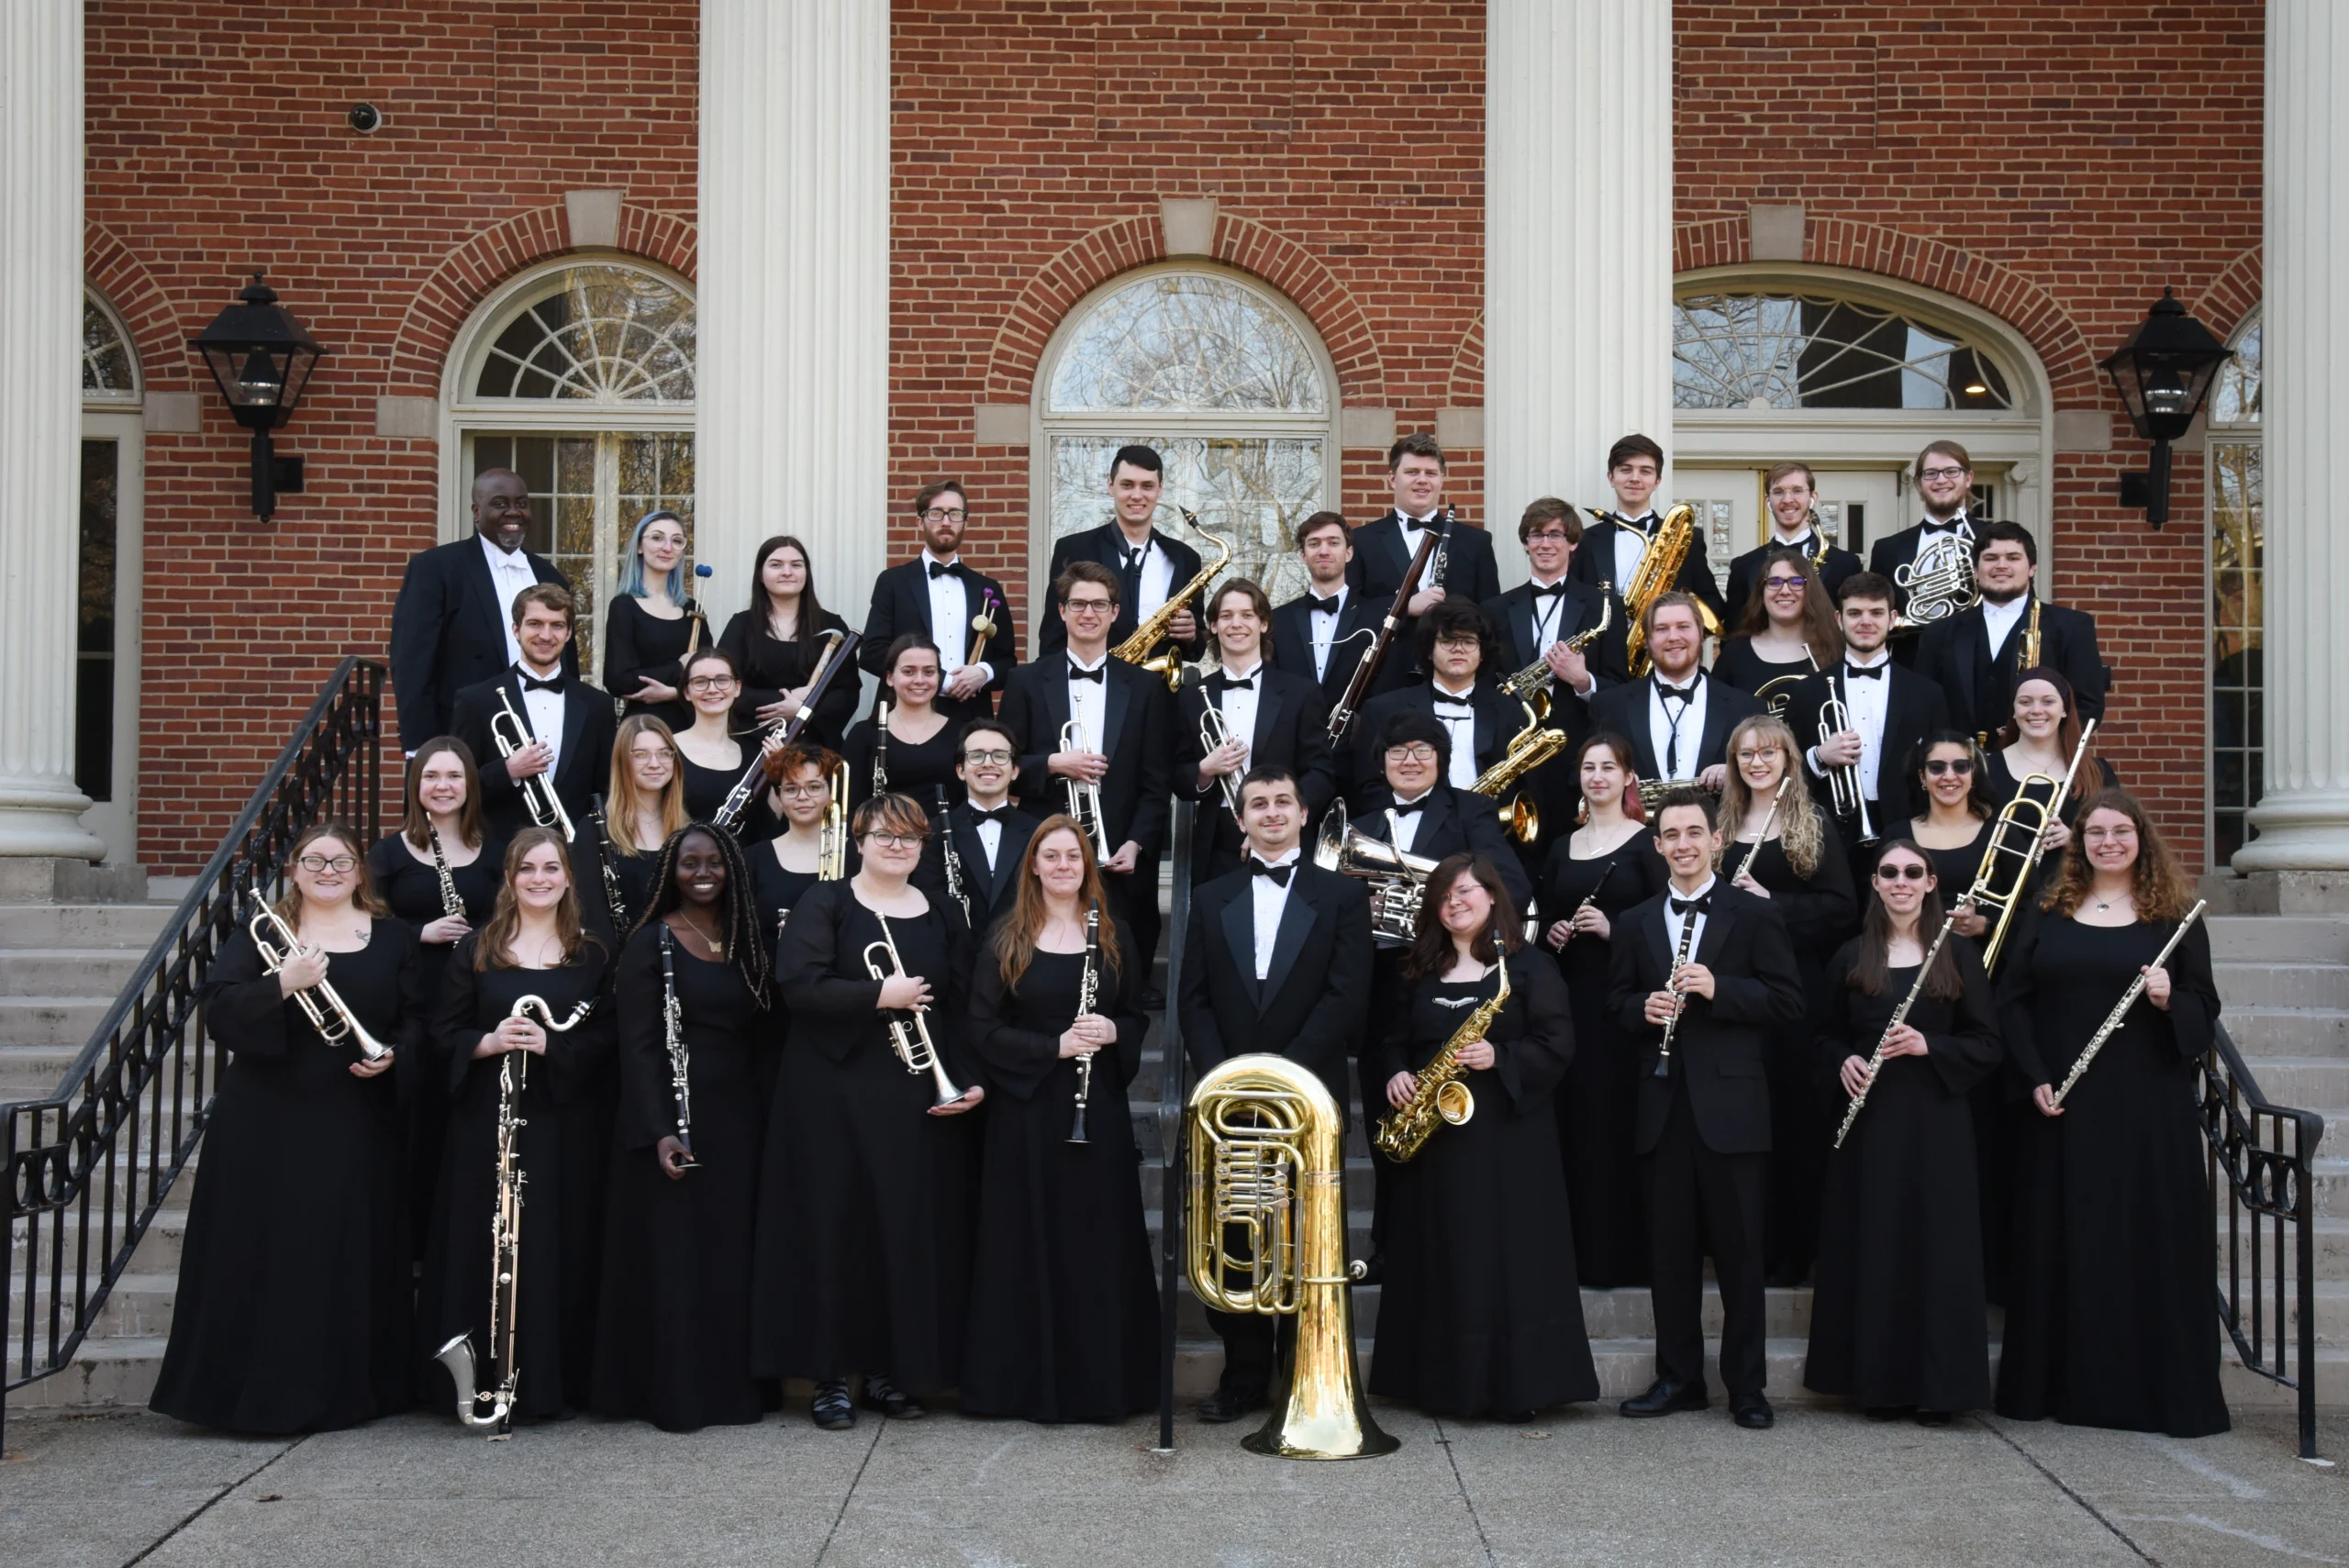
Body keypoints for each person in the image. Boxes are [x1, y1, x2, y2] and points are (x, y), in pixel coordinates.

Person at [149, 823, 419, 1433]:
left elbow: (417, 1019)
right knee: (266, 1252)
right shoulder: (263, 936)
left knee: (339, 1251)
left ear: (360, 871)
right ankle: (251, 1395)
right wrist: (282, 983)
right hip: (266, 1117)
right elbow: (219, 1008)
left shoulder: (393, 938)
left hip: (355, 1115)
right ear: (294, 869)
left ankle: (345, 1394)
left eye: (342, 860)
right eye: (314, 859)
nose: (328, 870)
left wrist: (397, 1054)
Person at [1994, 789, 2228, 1437]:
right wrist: (2034, 1074)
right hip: (2062, 1104)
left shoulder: (2173, 915)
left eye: (2120, 831)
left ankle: (2148, 1395)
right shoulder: (2049, 907)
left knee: (2142, 1241)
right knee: (2062, 1241)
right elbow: (2011, 1000)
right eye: (2094, 832)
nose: (2107, 843)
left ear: (2140, 838)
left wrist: (2166, 996)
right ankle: (2059, 1389)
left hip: (2146, 1109)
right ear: (2079, 841)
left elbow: (2205, 1011)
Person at [751, 794, 986, 1429]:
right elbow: (799, 984)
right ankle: (829, 1376)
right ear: (858, 839)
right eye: (883, 835)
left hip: (914, 1096)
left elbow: (962, 1003)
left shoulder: (939, 910)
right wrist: (881, 992)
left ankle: (889, 1372)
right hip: (830, 1095)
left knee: (901, 1233)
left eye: (909, 837)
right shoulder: (824, 902)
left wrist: (968, 1079)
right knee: (834, 1232)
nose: (896, 845)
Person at [1369, 851, 1594, 1421]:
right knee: (1440, 1254)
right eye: (1445, 895)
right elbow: (1391, 1039)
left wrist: (1502, 1055)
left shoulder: (1530, 968)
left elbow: (1559, 1043)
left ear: (1493, 896)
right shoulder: (1415, 968)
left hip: (1509, 1140)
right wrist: (1396, 1071)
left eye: (1467, 891)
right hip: (1434, 1143)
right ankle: (1439, 1386)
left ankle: (1514, 1389)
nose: (1456, 903)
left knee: (1504, 1260)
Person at [1177, 767, 1372, 1422]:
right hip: (1230, 1102)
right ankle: (1243, 1376)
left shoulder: (1342, 896)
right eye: (1256, 803)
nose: (1270, 812)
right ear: (1240, 819)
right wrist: (1226, 1080)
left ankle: (1303, 1374)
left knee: (1306, 1232)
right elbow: (1193, 999)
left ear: (1303, 812)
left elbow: (1346, 995)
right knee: (1234, 1231)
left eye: (1281, 801)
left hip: (1306, 1097)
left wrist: (1282, 1076)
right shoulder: (1210, 897)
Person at [1609, 791, 1805, 1429]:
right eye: (1673, 834)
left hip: (1733, 1109)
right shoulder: (1636, 920)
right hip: (1661, 1106)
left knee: (1742, 1256)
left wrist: (1721, 990)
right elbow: (1612, 1004)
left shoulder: (1753, 915)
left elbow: (1788, 1003)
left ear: (1716, 840)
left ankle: (1747, 1388)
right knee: (1670, 1257)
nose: (1685, 843)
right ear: (1658, 845)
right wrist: (1642, 1007)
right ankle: (1679, 1379)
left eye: (1696, 831)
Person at [963, 816, 1157, 1422]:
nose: (1064, 865)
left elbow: (1136, 1016)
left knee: (1096, 1243)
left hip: (1096, 1108)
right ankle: (1026, 1388)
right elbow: (982, 1028)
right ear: (1034, 866)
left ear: (1086, 863)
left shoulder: (1113, 932)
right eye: (1051, 856)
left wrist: (1114, 1030)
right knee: (1027, 1242)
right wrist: (1053, 1048)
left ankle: (1102, 1388)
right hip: (1026, 1112)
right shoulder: (1007, 935)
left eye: (1073, 855)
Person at [418, 828, 617, 1423]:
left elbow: (607, 1038)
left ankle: (548, 1385)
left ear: (568, 878)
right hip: (487, 1125)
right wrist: (489, 1041)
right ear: (508, 877)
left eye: (551, 867)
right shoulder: (477, 949)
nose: (539, 877)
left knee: (557, 1244)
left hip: (562, 1126)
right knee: (488, 1243)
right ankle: (478, 1384)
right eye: (526, 867)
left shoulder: (592, 953)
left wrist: (554, 1047)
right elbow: (440, 1033)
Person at [1805, 840, 1999, 1421]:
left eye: (1914, 872)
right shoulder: (1849, 956)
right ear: (1875, 884)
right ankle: (1879, 1387)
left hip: (1937, 1126)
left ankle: (1941, 1392)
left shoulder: (1957, 954)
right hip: (1869, 1127)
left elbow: (1989, 1045)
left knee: (1936, 1252)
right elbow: (1820, 1037)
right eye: (1889, 873)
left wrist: (1928, 1044)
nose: (1901, 882)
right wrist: (1841, 1060)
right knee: (1876, 1247)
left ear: (1932, 882)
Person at [592, 824, 774, 1431]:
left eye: (714, 862)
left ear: (733, 871)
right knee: (676, 1258)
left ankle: (731, 1391)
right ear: (671, 870)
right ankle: (674, 1394)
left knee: (728, 1256)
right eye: (689, 861)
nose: (702, 871)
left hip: (737, 1117)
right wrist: (658, 1129)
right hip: (674, 1118)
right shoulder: (650, 942)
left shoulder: (746, 937)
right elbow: (637, 1045)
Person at [1717, 714, 1858, 1286]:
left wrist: (1769, 902)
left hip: (1796, 988)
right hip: (1733, 989)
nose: (1757, 762)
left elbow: (1841, 909)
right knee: (1743, 1122)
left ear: (1788, 759)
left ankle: (1795, 1249)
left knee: (1794, 1119)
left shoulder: (1812, 820)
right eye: (1746, 753)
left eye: (1769, 752)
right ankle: (1745, 1246)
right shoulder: (1719, 822)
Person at [1539, 733, 1668, 1288]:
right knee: (1576, 1124)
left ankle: (1620, 1256)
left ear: (1628, 777)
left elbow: (1667, 927)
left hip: (1622, 1003)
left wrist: (1614, 930)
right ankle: (1575, 1254)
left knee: (1616, 1123)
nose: (1597, 777)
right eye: (1588, 768)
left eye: (1608, 767)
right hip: (1570, 999)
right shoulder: (1562, 846)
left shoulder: (1648, 844)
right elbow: (1540, 921)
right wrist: (1554, 930)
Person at [999, 561, 1173, 973]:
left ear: (1115, 613)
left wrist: (1137, 843)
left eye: (1099, 604)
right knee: (1042, 965)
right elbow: (1000, 764)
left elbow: (1157, 780)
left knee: (1122, 974)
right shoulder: (1024, 681)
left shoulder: (1147, 687)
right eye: (1077, 604)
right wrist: (1053, 763)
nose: (1088, 614)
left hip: (1119, 859)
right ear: (1061, 612)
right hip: (1044, 853)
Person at [367, 738, 501, 1260]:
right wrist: (418, 933)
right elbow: (363, 928)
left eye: (453, 777)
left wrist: (481, 938)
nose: (442, 787)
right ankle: (413, 1248)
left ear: (469, 785)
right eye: (431, 777)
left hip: (474, 1004)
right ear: (415, 785)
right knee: (418, 1128)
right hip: (415, 1004)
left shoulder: (495, 848)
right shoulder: (388, 852)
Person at [1903, 729, 2015, 1305]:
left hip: (1981, 1000)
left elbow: (2032, 912)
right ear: (1919, 776)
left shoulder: (2004, 830)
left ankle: (1985, 1270)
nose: (1949, 775)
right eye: (1936, 766)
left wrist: (1988, 926)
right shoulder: (1901, 838)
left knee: (1985, 1138)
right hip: (1918, 1003)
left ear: (1976, 772)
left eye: (1960, 766)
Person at [389, 467, 573, 753]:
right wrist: (420, 746)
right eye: (500, 504)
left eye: (521, 504)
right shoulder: (435, 569)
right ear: (476, 512)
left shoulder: (550, 575)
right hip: (460, 736)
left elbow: (567, 662)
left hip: (542, 736)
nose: (514, 512)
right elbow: (412, 663)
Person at [1787, 573, 1952, 873]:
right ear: (1839, 619)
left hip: (1908, 827)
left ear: (1893, 619)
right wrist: (1819, 757)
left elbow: (1943, 765)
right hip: (1829, 831)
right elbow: (1785, 772)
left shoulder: (1928, 693)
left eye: (1876, 613)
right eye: (1855, 613)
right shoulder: (1807, 692)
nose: (1866, 621)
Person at [1174, 578, 1337, 883]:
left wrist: (1280, 825)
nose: (1237, 624)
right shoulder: (1191, 696)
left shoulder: (1301, 693)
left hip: (1283, 833)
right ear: (1212, 625)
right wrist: (1205, 770)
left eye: (1247, 615)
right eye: (1226, 616)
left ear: (1263, 624)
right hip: (1216, 842)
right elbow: (1177, 775)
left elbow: (1321, 773)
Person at [448, 584, 618, 842]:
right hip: (498, 851)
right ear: (516, 630)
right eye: (535, 624)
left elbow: (608, 789)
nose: (546, 635)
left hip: (574, 852)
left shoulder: (598, 705)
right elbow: (456, 785)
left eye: (557, 625)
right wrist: (508, 770)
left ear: (569, 633)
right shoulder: (475, 701)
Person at [1919, 520, 2108, 740]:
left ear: (2032, 568)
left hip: (2037, 765)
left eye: (2013, 558)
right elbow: (1924, 705)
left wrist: (2044, 744)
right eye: (1991, 558)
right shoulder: (1938, 633)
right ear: (1975, 569)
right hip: (1960, 768)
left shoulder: (2072, 627)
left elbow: (2088, 707)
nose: (2001, 565)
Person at [859, 482, 1017, 727]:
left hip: (971, 717)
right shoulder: (892, 582)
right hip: (905, 715)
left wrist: (984, 673)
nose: (946, 521)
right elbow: (872, 653)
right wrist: (939, 680)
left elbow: (1008, 662)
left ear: (965, 522)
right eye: (936, 513)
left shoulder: (988, 589)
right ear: (920, 521)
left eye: (955, 514)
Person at [1345, 709, 1532, 913]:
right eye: (1397, 750)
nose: (1409, 761)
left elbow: (1513, 887)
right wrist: (1361, 913)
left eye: (1423, 750)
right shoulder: (1359, 829)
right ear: (1382, 764)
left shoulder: (1472, 810)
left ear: (1440, 760)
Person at [1036, 444, 1206, 662]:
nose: (1137, 495)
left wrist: (1191, 635)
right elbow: (1053, 636)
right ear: (1110, 486)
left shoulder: (1185, 558)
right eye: (1127, 485)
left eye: (1147, 486)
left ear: (1160, 489)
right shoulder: (1073, 549)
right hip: (1091, 687)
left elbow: (1196, 650)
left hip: (1160, 689)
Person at [1345, 435, 1501, 662]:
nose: (1422, 480)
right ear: (1392, 479)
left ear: (1441, 480)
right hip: (1385, 675)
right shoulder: (1361, 540)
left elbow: (1489, 616)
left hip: (1455, 673)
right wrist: (1403, 607)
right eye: (1412, 472)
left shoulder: (1476, 542)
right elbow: (1351, 611)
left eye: (1430, 473)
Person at [1586, 594, 1764, 794]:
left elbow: (1770, 779)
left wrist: (1736, 773)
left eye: (1683, 627)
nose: (1673, 637)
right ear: (1647, 640)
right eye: (1661, 629)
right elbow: (1582, 778)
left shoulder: (1747, 708)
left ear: (1701, 634)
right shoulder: (1609, 706)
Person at [1348, 597, 1520, 800]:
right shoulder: (1382, 710)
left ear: (1482, 653)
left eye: (1469, 641)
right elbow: (1368, 790)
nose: (1458, 648)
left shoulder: (1510, 710)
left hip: (1490, 825)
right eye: (1447, 640)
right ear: (1429, 650)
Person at [1568, 433, 1728, 639]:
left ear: (1657, 481)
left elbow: (1712, 602)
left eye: (1645, 471)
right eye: (1626, 470)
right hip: (1600, 656)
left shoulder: (1687, 539)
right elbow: (1572, 603)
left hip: (1665, 654)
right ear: (1611, 478)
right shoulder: (1585, 541)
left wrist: (1681, 628)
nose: (1635, 478)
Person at [715, 534, 859, 751]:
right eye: (776, 565)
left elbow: (847, 693)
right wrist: (790, 703)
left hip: (815, 747)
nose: (787, 572)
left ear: (806, 574)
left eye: (796, 565)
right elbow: (723, 685)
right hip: (752, 744)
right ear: (761, 576)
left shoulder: (832, 625)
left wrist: (804, 711)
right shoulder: (741, 625)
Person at [914, 718, 1042, 939]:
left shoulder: (1039, 832)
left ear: (1015, 771)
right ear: (961, 770)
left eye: (1000, 756)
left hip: (1024, 954)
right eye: (976, 756)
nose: (988, 763)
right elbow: (930, 902)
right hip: (955, 958)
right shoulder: (934, 832)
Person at [572, 715, 689, 944]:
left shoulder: (689, 832)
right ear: (622, 761)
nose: (655, 763)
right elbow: (590, 914)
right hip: (617, 966)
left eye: (664, 753)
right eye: (641, 754)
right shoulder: (593, 829)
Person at [602, 508, 710, 732]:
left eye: (677, 541)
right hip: (643, 728)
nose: (667, 547)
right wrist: (680, 667)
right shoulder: (624, 606)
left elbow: (710, 675)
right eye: (657, 538)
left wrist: (673, 693)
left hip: (692, 728)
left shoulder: (692, 609)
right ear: (640, 546)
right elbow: (618, 680)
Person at [1721, 462, 1863, 630]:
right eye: (1778, 492)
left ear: (1813, 498)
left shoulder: (1846, 564)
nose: (1788, 500)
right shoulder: (1742, 567)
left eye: (1797, 490)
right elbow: (1734, 634)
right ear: (1767, 501)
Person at [1267, 510, 1384, 711]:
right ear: (1303, 556)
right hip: (1292, 738)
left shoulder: (1377, 617)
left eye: (1333, 543)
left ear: (1349, 553)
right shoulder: (1278, 619)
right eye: (1314, 544)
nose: (1323, 551)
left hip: (1356, 737)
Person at [1984, 667, 2119, 841]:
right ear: (2014, 712)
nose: (2036, 710)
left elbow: (2119, 835)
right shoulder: (1985, 769)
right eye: (2025, 702)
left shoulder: (2098, 772)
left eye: (2048, 702)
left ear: (2064, 710)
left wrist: (2077, 840)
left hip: (2073, 869)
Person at [1711, 547, 1841, 717]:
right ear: (1761, 592)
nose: (1785, 590)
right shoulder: (1734, 655)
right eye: (1774, 582)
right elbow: (1715, 718)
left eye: (1796, 582)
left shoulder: (1835, 651)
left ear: (1810, 591)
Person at [1869, 440, 1981, 630]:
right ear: (1919, 483)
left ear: (1968, 478)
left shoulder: (1998, 540)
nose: (1941, 480)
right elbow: (1875, 611)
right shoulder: (1887, 549)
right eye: (1931, 473)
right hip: (1912, 655)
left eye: (1951, 471)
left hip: (1979, 655)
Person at [843, 635, 960, 814]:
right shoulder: (863, 735)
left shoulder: (962, 733)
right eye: (908, 672)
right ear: (889, 678)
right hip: (883, 840)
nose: (919, 680)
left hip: (944, 840)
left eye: (929, 672)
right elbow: (851, 807)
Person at [749, 740, 852, 940]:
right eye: (790, 789)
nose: (802, 797)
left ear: (831, 794)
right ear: (778, 797)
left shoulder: (857, 855)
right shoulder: (755, 859)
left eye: (814, 787)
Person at [663, 648, 767, 828]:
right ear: (687, 692)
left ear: (737, 688)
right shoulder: (666, 749)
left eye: (722, 680)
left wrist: (775, 771)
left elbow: (765, 823)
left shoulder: (754, 756)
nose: (712, 689)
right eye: (700, 682)